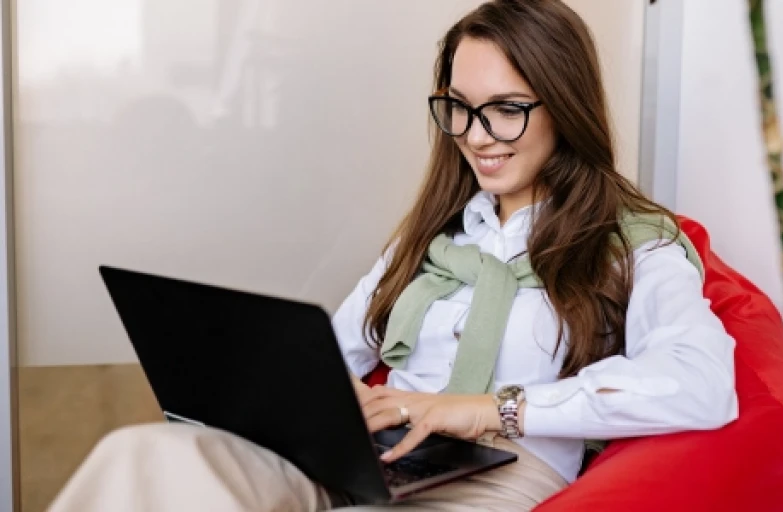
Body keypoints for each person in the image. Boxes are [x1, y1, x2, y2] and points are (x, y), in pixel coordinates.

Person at [48, 1, 738, 510]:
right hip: (374, 462)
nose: (476, 135)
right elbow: (338, 355)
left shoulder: (634, 244)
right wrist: (305, 402)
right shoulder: (432, 239)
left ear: (564, 105)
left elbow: (701, 384)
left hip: (503, 476)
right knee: (145, 458)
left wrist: (484, 409)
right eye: (459, 108)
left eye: (506, 108)